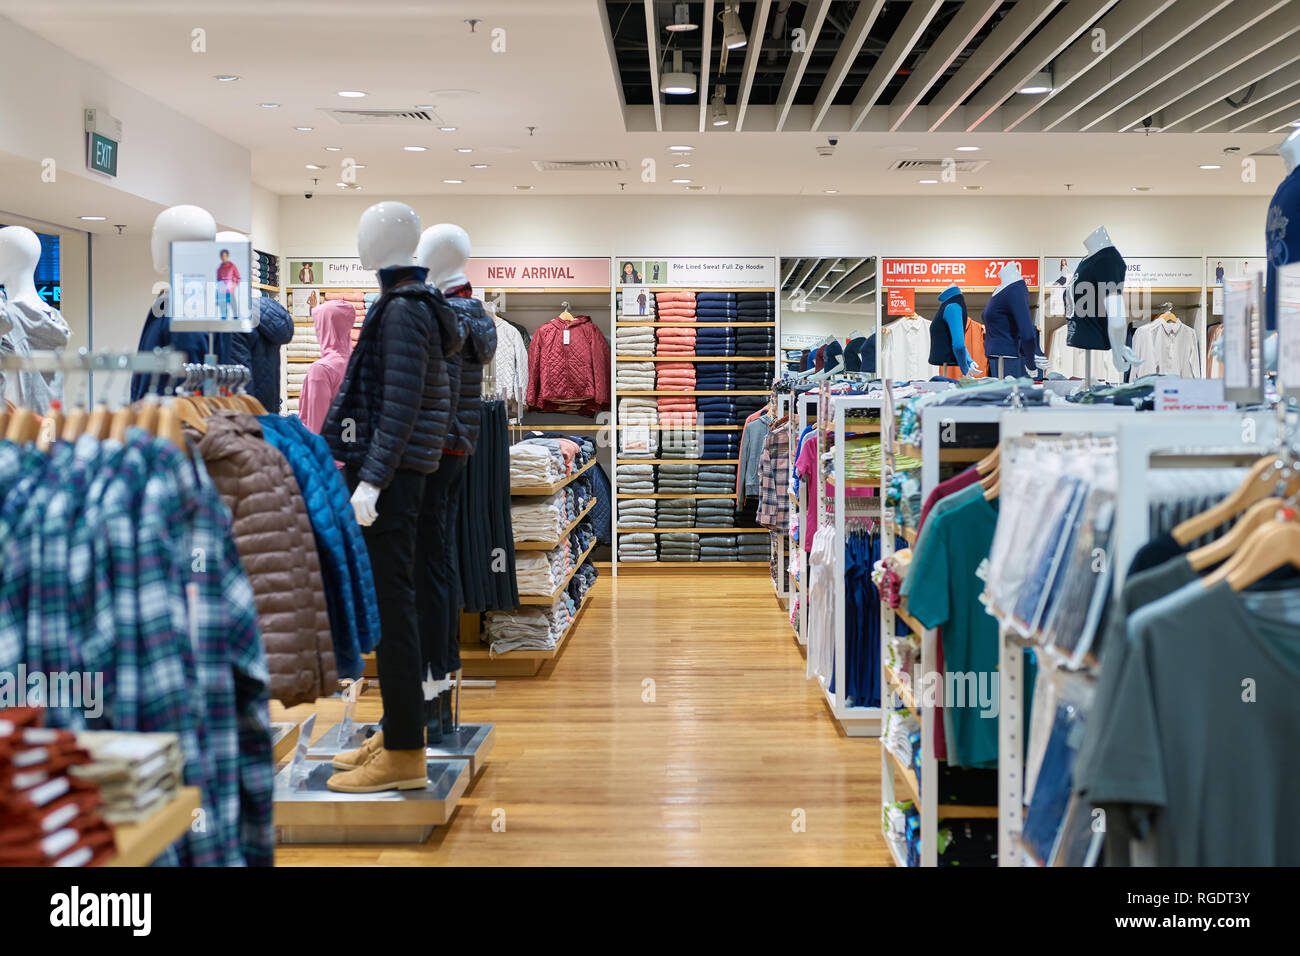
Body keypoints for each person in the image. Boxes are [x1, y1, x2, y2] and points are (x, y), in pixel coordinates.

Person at [216, 248, 241, 318]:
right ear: (221, 257)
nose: (223, 257)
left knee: (234, 310)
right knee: (223, 313)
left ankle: (236, 322)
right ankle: (224, 325)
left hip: (230, 291)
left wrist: (234, 285)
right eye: (222, 256)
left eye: (225, 256)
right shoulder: (219, 268)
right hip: (222, 292)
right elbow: (218, 282)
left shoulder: (232, 266)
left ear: (227, 256)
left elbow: (238, 277)